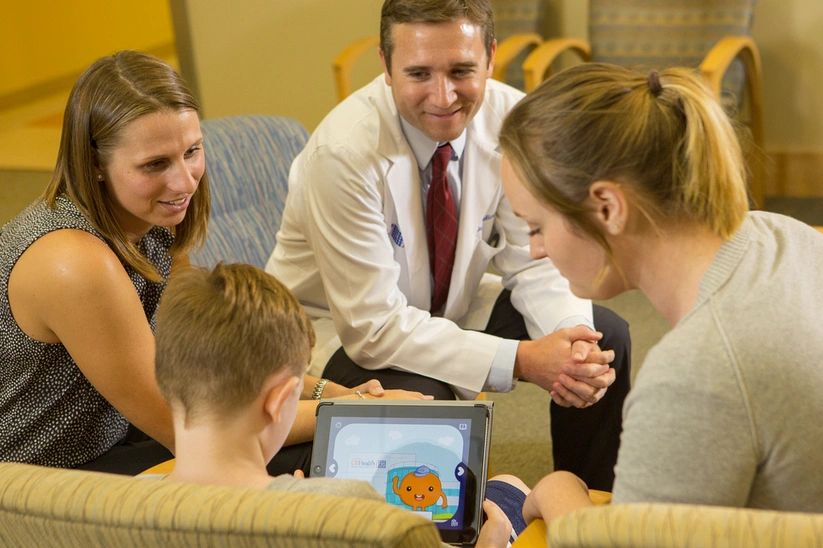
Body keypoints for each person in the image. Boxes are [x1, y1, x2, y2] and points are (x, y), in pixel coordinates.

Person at [0, 50, 423, 476]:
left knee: (343, 441)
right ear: (94, 165)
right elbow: (188, 430)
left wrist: (347, 396)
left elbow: (216, 355)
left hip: (119, 432)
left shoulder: (147, 219)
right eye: (154, 164)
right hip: (42, 479)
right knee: (326, 458)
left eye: (192, 151)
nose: (184, 181)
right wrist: (362, 412)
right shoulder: (73, 264)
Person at [266, 0, 631, 491]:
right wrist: (523, 358)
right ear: (386, 66)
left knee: (600, 341)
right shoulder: (343, 153)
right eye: (419, 73)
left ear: (491, 57)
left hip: (447, 301)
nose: (443, 96)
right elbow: (373, 327)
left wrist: (571, 346)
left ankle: (589, 509)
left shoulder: (513, 121)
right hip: (332, 329)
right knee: (423, 402)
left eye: (462, 70)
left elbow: (533, 260)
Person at [496, 63, 823, 521]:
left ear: (607, 207)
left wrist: (552, 489)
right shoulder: (787, 235)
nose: (534, 250)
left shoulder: (693, 374)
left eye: (537, 227)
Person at [153, 261, 529, 547]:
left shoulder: (118, 498)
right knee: (510, 491)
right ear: (281, 401)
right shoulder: (352, 509)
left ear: (167, 383)